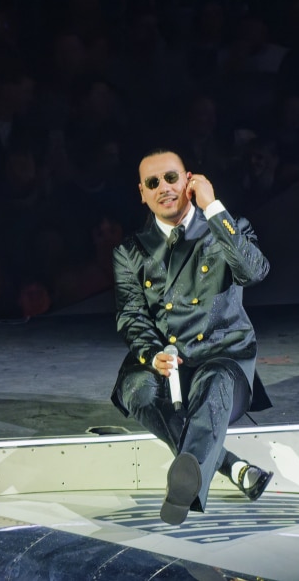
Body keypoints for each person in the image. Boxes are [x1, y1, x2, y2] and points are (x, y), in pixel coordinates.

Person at [110, 148, 274, 525]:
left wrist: (213, 208)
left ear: (189, 181)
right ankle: (232, 467)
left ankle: (185, 490)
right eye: (153, 183)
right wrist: (152, 354)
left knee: (214, 385)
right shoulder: (130, 251)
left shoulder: (227, 226)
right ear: (142, 193)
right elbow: (131, 315)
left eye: (171, 178)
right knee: (137, 389)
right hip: (167, 361)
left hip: (223, 356)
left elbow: (255, 272)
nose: (164, 188)